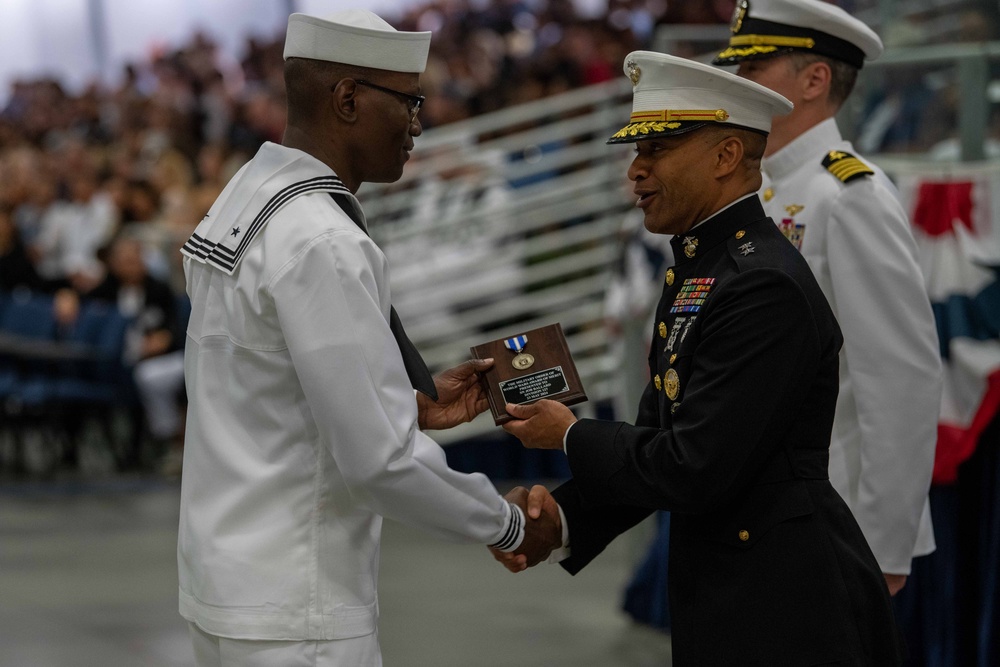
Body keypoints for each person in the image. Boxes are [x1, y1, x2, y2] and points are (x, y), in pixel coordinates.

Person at [495, 51, 904, 666]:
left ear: (725, 157)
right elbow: (661, 440)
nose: (635, 171)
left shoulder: (761, 284)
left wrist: (573, 435)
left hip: (791, 606)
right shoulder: (702, 274)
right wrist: (562, 518)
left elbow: (694, 465)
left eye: (655, 151)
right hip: (734, 588)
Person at [176, 10, 557, 667]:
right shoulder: (323, 237)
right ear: (348, 98)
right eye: (407, 101)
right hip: (300, 602)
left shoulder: (247, 195)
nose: (417, 122)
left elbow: (265, 379)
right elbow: (378, 462)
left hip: (229, 583)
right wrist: (508, 520)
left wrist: (401, 401)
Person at [713, 0, 941, 595]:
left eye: (753, 69)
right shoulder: (757, 189)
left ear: (814, 80)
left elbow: (899, 379)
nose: (738, 84)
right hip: (746, 502)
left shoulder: (848, 195)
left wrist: (886, 543)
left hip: (827, 512)